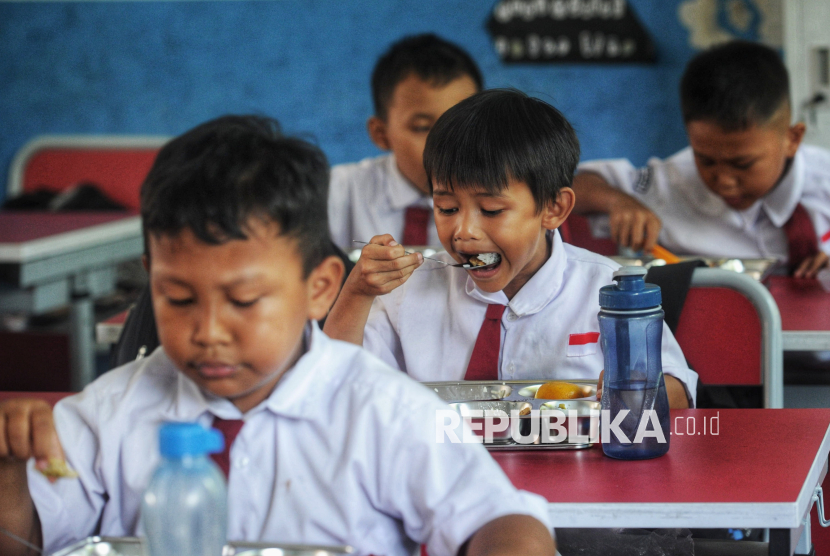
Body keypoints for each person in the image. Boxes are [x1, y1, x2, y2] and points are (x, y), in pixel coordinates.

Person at [0, 115, 555, 556]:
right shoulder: (110, 412)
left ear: (319, 289)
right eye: (178, 298)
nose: (209, 332)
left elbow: (503, 521)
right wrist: (7, 475)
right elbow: (26, 540)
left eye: (244, 301)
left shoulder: (382, 412)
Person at [324, 89, 698, 409]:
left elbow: (677, 384)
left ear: (553, 209)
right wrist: (357, 293)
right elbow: (336, 382)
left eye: (491, 210)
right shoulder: (406, 293)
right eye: (447, 208)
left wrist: (635, 394)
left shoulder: (607, 290)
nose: (464, 232)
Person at [572, 40, 830, 279]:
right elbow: (574, 188)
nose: (724, 181)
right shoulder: (672, 183)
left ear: (792, 139)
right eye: (706, 161)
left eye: (742, 164)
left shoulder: (824, 178)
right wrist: (618, 202)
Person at [328, 33, 483, 250]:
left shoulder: (508, 202)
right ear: (381, 134)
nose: (450, 145)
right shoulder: (335, 195)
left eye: (463, 125)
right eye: (423, 127)